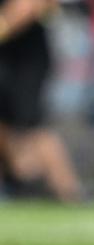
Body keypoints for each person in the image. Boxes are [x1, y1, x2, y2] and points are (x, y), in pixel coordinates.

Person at [0, 0, 82, 202]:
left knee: (33, 125)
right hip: (9, 53)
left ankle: (70, 192)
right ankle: (21, 174)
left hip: (25, 55)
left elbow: (28, 7)